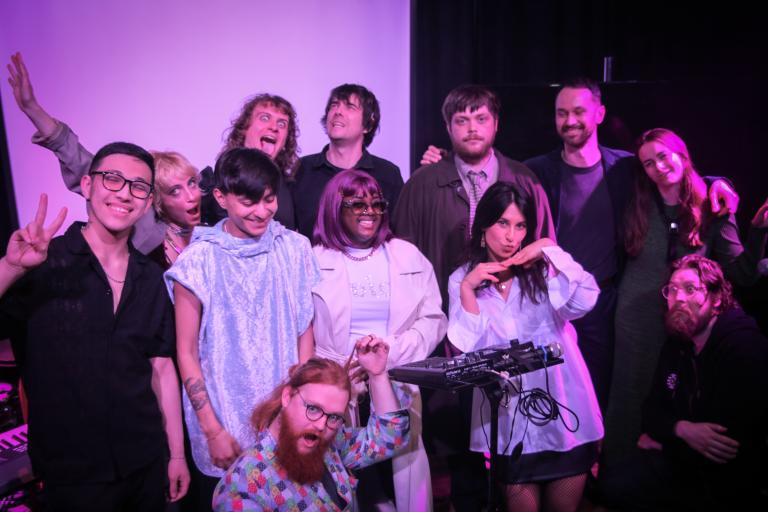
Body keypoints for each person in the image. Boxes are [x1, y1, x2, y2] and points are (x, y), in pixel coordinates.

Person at [421, 78, 739, 411]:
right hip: (545, 299)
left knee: (602, 393)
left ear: (600, 114)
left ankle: (598, 460)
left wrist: (717, 182)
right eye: (562, 113)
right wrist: (445, 159)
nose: (570, 120)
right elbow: (490, 176)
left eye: (578, 112)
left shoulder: (624, 167)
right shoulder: (536, 171)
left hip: (602, 300)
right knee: (545, 397)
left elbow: (672, 176)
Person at [0, 143, 189, 510]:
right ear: (87, 185)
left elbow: (161, 368)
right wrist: (12, 267)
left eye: (138, 186)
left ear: (148, 202)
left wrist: (176, 454)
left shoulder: (151, 278)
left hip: (145, 462)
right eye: (112, 179)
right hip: (71, 474)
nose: (124, 193)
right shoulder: (43, 263)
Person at [392, 84, 554, 510]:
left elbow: (545, 249)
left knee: (516, 431)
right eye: (461, 120)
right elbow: (402, 260)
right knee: (460, 438)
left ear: (496, 123)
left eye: (481, 118)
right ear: (447, 127)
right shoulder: (423, 184)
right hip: (450, 331)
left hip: (515, 330)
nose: (471, 128)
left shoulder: (524, 179)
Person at [6, 52, 298, 253]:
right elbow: (87, 166)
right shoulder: (161, 228)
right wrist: (34, 111)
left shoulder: (292, 188)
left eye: (193, 185)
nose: (191, 195)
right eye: (264, 118)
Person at [603, 128, 768, 469]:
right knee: (628, 398)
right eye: (649, 163)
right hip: (636, 319)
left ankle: (664, 478)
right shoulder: (638, 201)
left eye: (664, 156)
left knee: (676, 398)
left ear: (682, 154)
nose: (659, 167)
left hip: (684, 319)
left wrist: (758, 231)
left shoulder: (712, 204)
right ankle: (616, 478)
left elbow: (741, 273)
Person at [165, 148, 320, 506]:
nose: (262, 211)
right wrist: (212, 429)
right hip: (224, 424)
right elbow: (186, 352)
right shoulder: (198, 261)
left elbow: (304, 331)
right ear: (220, 196)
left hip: (285, 419)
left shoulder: (293, 248)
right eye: (249, 201)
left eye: (269, 199)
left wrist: (300, 409)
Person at [447, 181, 603, 512]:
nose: (511, 236)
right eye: (503, 223)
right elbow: (465, 349)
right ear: (484, 226)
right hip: (509, 423)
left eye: (520, 226)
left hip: (564, 416)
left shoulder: (543, 269)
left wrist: (551, 250)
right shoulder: (464, 277)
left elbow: (586, 300)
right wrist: (467, 290)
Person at [312, 169, 446, 510]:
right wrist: (334, 367)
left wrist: (392, 354)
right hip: (338, 384)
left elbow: (433, 318)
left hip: (395, 376)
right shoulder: (313, 259)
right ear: (334, 208)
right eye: (356, 203)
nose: (369, 211)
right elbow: (302, 327)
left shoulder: (406, 254)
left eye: (376, 204)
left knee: (401, 472)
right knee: (349, 479)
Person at [597, 255, 768, 510]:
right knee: (610, 487)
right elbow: (651, 413)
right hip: (682, 463)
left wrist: (662, 442)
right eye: (672, 290)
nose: (678, 298)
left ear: (717, 298)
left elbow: (724, 446)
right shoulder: (677, 344)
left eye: (690, 289)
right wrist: (681, 429)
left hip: (724, 482)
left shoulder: (743, 348)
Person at [212, 338, 410, 511]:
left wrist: (378, 374)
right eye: (313, 408)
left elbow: (389, 439)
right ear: (287, 396)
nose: (322, 425)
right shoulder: (242, 489)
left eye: (333, 417)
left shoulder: (330, 444)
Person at [292, 83, 404, 238]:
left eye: (350, 107)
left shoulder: (388, 173)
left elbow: (398, 234)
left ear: (368, 125)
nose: (338, 111)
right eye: (334, 105)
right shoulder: (302, 169)